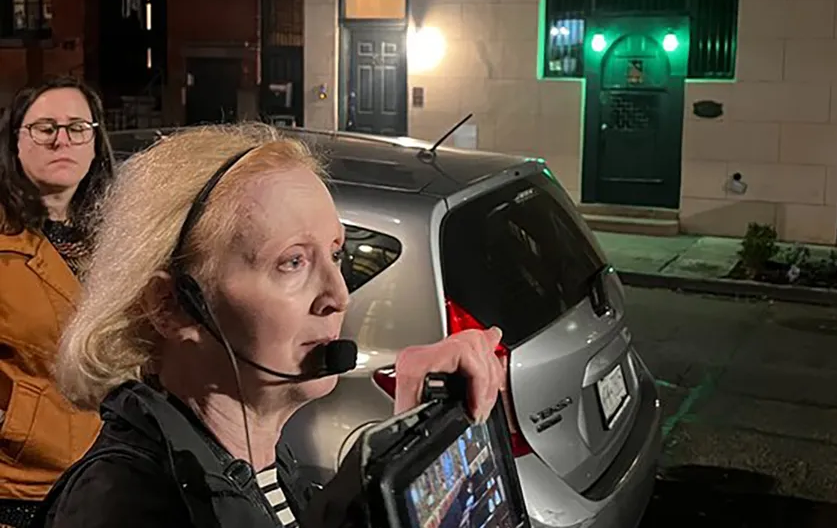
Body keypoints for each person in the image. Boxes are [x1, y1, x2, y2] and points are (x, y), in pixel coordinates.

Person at [31, 124, 505, 528]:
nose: (338, 294)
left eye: (335, 254)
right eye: (292, 261)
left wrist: (410, 434)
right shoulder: (125, 505)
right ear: (171, 305)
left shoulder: (252, 465)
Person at [0, 77, 115, 528]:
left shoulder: (120, 237)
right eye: (45, 128)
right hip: (25, 483)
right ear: (16, 142)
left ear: (94, 142)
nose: (62, 140)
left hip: (113, 473)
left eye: (77, 127)